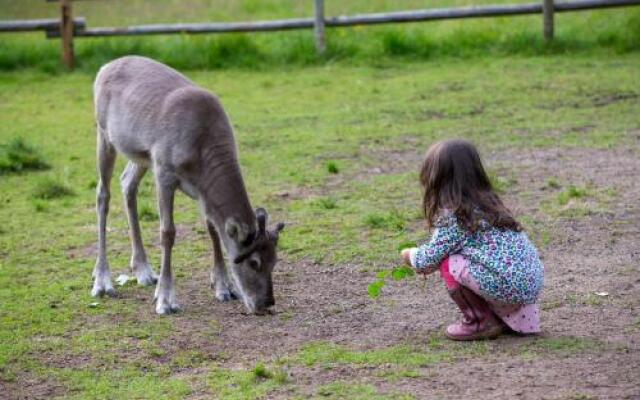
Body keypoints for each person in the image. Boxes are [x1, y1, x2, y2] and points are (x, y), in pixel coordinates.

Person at [401, 139, 543, 341]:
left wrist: (409, 254)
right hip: (529, 285)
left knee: (450, 263)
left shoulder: (456, 217)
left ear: (437, 180)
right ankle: (512, 320)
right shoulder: (492, 205)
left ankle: (480, 322)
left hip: (507, 288)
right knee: (487, 261)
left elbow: (428, 260)